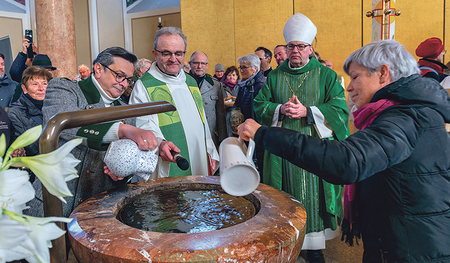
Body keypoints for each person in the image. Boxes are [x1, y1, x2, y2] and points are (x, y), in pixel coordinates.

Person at [239, 39, 450, 263]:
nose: (349, 87)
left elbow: (347, 161)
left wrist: (263, 133)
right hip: (407, 233)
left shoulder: (404, 118)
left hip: (413, 245)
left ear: (383, 73)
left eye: (356, 77)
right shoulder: (409, 111)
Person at [253, 13, 349, 262]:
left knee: (312, 199)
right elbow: (259, 105)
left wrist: (309, 112)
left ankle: (314, 249)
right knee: (284, 201)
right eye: (291, 46)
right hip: (282, 151)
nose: (295, 50)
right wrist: (279, 109)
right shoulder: (274, 76)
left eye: (301, 46)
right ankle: (288, 245)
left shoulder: (327, 76)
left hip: (314, 149)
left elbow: (340, 110)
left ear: (310, 49)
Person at [43, 47, 176, 216]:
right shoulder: (64, 89)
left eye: (128, 79)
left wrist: (122, 173)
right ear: (98, 69)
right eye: (119, 75)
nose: (124, 84)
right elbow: (65, 125)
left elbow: (129, 159)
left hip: (97, 208)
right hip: (56, 202)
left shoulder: (125, 111)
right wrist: (123, 130)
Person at [130, 27, 219, 178]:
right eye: (166, 53)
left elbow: (202, 119)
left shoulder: (190, 81)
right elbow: (143, 125)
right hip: (169, 159)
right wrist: (161, 143)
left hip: (199, 157)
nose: (173, 59)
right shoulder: (144, 85)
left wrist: (209, 148)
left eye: (178, 53)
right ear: (155, 54)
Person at [234, 53, 266, 179]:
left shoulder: (261, 85)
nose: (241, 70)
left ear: (255, 69)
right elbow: (237, 104)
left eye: (244, 67)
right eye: (240, 67)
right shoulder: (245, 84)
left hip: (257, 130)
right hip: (246, 128)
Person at [8, 66, 52, 157]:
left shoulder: (55, 106)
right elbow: (28, 148)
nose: (41, 88)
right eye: (35, 84)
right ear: (24, 89)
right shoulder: (15, 113)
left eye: (44, 83)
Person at [188, 51, 227, 148]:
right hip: (189, 135)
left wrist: (221, 140)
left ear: (207, 65)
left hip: (210, 136)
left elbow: (221, 115)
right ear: (190, 64)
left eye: (203, 63)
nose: (199, 66)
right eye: (196, 63)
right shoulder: (182, 83)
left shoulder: (216, 85)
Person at [222, 66, 240, 136]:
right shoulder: (222, 87)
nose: (231, 77)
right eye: (229, 75)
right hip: (227, 116)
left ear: (237, 76)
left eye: (233, 75)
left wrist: (229, 101)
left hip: (239, 116)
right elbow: (222, 102)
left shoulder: (241, 86)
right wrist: (233, 99)